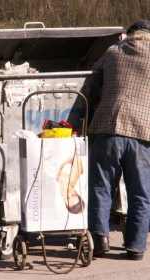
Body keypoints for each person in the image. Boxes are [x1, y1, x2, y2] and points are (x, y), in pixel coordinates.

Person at [88, 20, 150, 261]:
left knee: (101, 188)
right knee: (140, 193)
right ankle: (135, 247)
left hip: (109, 129)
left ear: (129, 35)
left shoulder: (114, 51)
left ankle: (100, 240)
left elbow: (93, 72)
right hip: (142, 134)